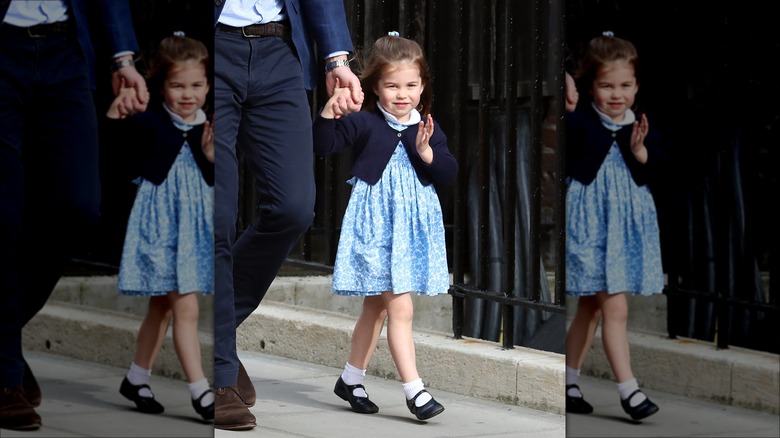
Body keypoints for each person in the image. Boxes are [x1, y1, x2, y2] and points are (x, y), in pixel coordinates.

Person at [212, 0, 363, 430]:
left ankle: (212, 333)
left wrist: (336, 57)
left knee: (294, 207)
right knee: (217, 218)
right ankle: (219, 374)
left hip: (279, 50)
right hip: (213, 49)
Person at [0, 0, 147, 431]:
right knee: (3, 217)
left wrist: (123, 56)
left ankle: (1, 344)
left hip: (65, 48)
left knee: (78, 206)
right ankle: (5, 375)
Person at [313, 32, 458, 422]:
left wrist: (427, 153)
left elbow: (448, 172)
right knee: (401, 306)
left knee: (376, 308)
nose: (402, 94)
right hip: (376, 228)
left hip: (409, 231)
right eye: (392, 85)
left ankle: (350, 379)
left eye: (411, 84)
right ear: (374, 85)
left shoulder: (426, 126)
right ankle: (416, 392)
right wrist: (329, 112)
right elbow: (322, 145)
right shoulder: (364, 122)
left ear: (423, 85)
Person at [105, 32, 215, 422]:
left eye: (197, 85)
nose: (188, 94)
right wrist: (116, 116)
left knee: (162, 309)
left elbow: (215, 181)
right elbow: (114, 154)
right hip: (160, 230)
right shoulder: (151, 124)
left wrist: (210, 157)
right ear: (161, 85)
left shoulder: (209, 130)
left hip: (192, 233)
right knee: (185, 307)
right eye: (177, 85)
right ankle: (202, 392)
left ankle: (137, 378)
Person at [563, 31, 668, 421]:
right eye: (607, 85)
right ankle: (629, 391)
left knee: (592, 306)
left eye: (625, 85)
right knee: (614, 306)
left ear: (637, 85)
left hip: (624, 231)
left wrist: (641, 153)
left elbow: (659, 170)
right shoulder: (579, 123)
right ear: (591, 85)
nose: (616, 94)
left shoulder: (638, 125)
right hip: (590, 227)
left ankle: (569, 380)